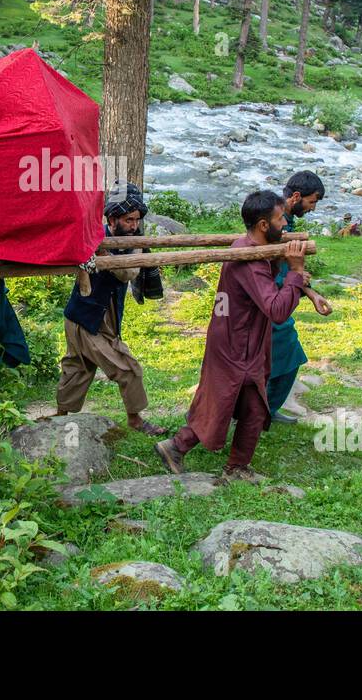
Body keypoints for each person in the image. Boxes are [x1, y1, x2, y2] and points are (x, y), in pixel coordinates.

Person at [155, 190, 309, 482]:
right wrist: (296, 272)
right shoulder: (250, 260)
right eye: (280, 220)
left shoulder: (244, 245)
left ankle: (222, 461)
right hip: (239, 344)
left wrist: (301, 284)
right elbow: (276, 309)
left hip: (232, 338)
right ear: (264, 225)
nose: (285, 227)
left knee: (245, 404)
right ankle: (185, 449)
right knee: (226, 402)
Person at [56, 181, 167, 435]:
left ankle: (60, 415)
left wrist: (103, 256)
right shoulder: (93, 238)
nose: (134, 226)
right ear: (111, 219)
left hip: (93, 317)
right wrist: (99, 254)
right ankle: (135, 420)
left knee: (78, 368)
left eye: (136, 220)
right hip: (87, 320)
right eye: (128, 220)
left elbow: (127, 271)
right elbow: (125, 271)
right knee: (127, 368)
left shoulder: (130, 241)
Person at [269, 172, 334, 424]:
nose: (312, 208)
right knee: (285, 353)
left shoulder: (287, 221)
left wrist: (312, 293)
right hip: (270, 298)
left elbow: (292, 269)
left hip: (282, 295)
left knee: (287, 356)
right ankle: (254, 411)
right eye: (312, 202)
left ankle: (265, 409)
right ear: (296, 196)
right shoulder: (274, 220)